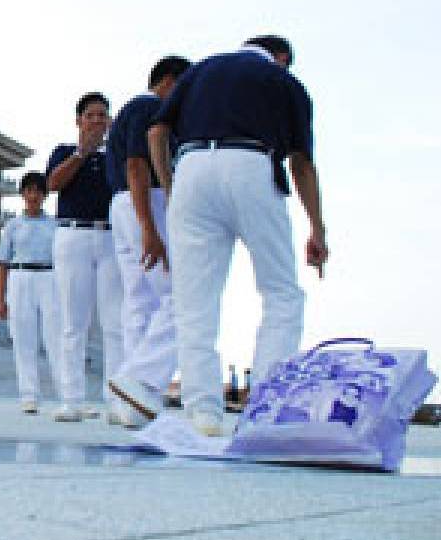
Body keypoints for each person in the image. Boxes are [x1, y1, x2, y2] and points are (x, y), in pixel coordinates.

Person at [148, 34, 328, 436]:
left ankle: (203, 413)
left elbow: (156, 133)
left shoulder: (200, 71)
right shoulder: (283, 81)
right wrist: (317, 229)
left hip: (191, 167)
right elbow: (301, 163)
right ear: (281, 57)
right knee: (281, 292)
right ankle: (262, 409)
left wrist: (172, 187)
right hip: (251, 165)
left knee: (195, 303)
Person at [104, 55, 190, 428]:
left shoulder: (132, 109)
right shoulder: (150, 107)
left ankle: (127, 403)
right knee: (181, 296)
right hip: (145, 201)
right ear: (170, 82)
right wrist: (150, 228)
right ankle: (140, 378)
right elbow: (137, 165)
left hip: (123, 205)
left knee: (140, 301)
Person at [46, 92, 123, 422]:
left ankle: (116, 400)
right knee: (73, 322)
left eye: (102, 115)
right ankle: (72, 399)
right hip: (72, 235)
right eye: (90, 115)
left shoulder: (116, 156)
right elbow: (53, 184)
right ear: (78, 120)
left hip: (111, 236)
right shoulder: (64, 152)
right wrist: (82, 153)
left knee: (114, 322)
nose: (96, 120)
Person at [0, 172, 59, 414]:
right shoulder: (12, 226)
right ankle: (29, 395)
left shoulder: (54, 226)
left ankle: (67, 394)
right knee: (24, 340)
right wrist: (1, 300)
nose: (33, 196)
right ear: (22, 194)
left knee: (55, 338)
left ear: (44, 195)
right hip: (20, 278)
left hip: (49, 277)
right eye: (29, 191)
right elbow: (2, 262)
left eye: (38, 191)